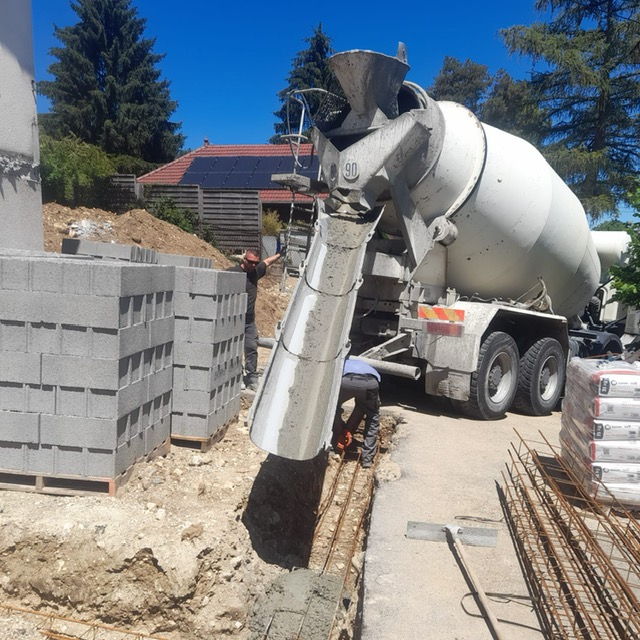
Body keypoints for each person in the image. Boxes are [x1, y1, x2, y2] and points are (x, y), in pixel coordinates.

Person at [228, 247, 284, 391]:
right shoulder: (232, 273)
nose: (253, 265)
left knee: (251, 347)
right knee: (234, 349)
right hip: (233, 320)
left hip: (249, 321)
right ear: (244, 260)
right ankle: (237, 376)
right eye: (251, 262)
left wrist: (279, 254)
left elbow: (266, 262)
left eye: (255, 263)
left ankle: (252, 376)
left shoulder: (255, 272)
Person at [332, 358, 381, 468]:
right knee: (372, 415)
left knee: (332, 409)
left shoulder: (341, 361)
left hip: (346, 382)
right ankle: (367, 459)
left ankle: (336, 440)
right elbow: (361, 406)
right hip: (370, 384)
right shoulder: (366, 365)